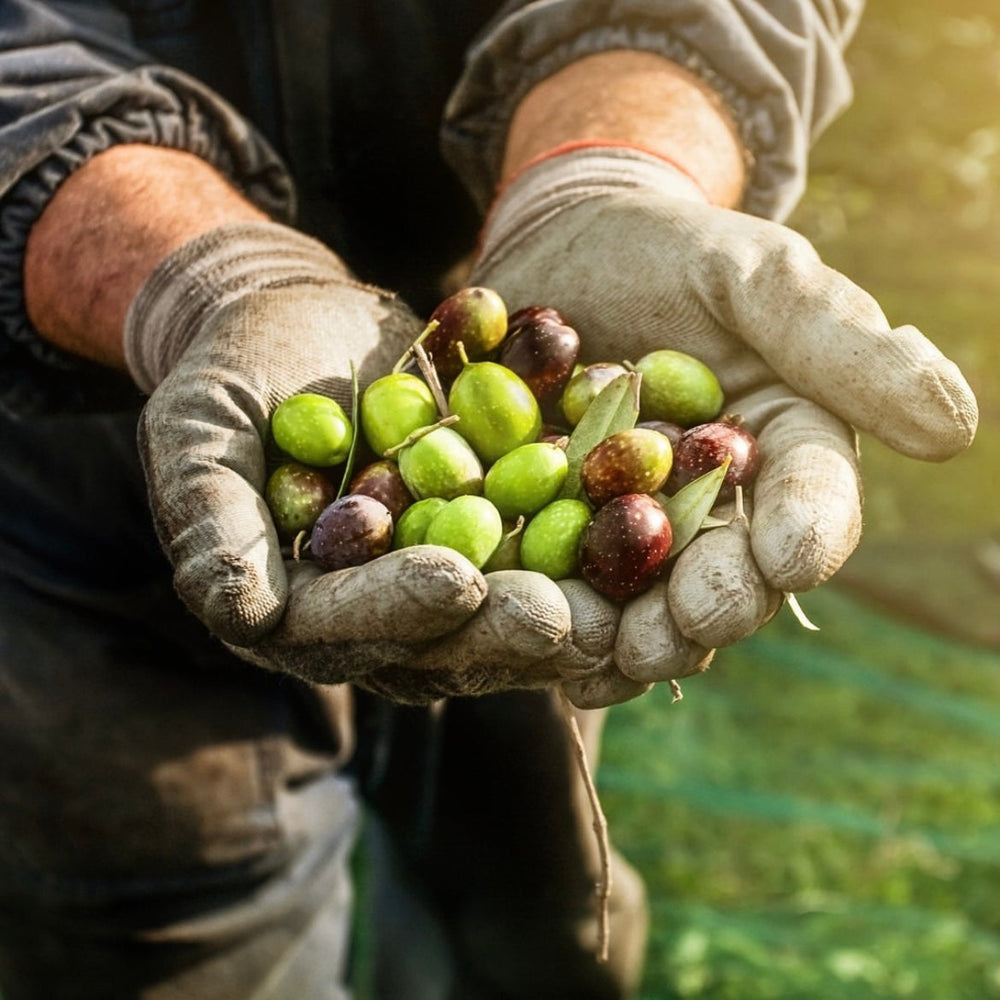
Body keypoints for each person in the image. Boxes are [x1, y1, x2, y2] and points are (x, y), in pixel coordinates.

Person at [0, 2, 978, 998]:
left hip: (515, 299)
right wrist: (202, 279)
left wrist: (608, 169)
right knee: (172, 935)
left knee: (540, 908)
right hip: (87, 428)